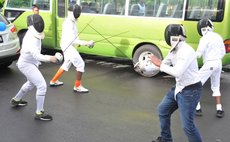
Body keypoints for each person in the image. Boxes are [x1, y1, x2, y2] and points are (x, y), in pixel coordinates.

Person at [150, 24, 202, 142]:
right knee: (162, 110)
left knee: (188, 126)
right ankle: (166, 139)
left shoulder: (186, 50)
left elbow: (177, 72)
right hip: (179, 87)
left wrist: (160, 64)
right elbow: (164, 63)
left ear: (172, 37)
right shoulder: (175, 49)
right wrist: (147, 63)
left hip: (190, 90)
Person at [10, 14, 59, 121]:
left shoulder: (31, 32)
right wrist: (51, 58)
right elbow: (37, 55)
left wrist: (23, 50)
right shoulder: (32, 38)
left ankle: (16, 99)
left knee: (31, 83)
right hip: (26, 64)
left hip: (29, 63)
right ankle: (39, 112)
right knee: (41, 85)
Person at [49, 4, 94, 93]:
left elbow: (75, 37)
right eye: (76, 12)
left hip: (68, 45)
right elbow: (73, 39)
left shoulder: (72, 21)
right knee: (80, 64)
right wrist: (87, 43)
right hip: (68, 46)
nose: (78, 14)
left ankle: (53, 81)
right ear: (72, 13)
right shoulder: (68, 23)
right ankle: (77, 86)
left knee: (67, 63)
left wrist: (82, 43)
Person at [195, 18, 226, 118]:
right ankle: (219, 109)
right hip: (218, 63)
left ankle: (197, 108)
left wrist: (188, 58)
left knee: (196, 83)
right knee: (216, 86)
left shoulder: (204, 38)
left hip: (210, 64)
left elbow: (199, 54)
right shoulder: (218, 36)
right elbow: (223, 52)